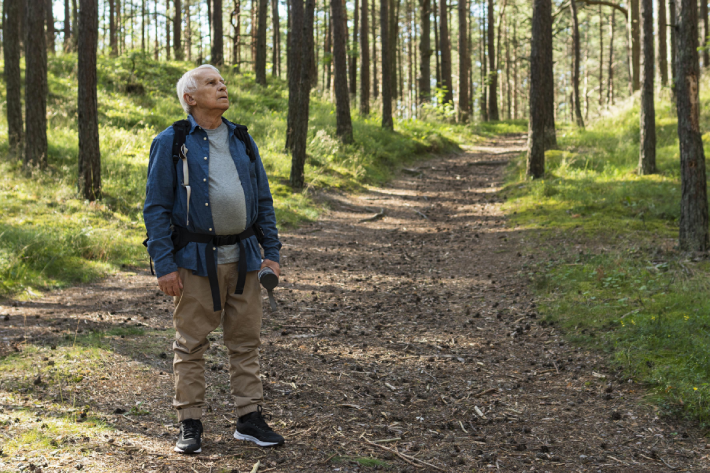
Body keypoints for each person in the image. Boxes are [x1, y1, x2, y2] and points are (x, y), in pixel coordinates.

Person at [143, 64, 284, 454]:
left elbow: (263, 200)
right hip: (194, 259)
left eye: (222, 82)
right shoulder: (171, 141)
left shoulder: (241, 138)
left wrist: (271, 254)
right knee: (190, 343)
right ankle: (189, 423)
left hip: (245, 256)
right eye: (211, 83)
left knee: (246, 341)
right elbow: (155, 208)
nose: (221, 87)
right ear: (190, 98)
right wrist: (165, 264)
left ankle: (249, 419)